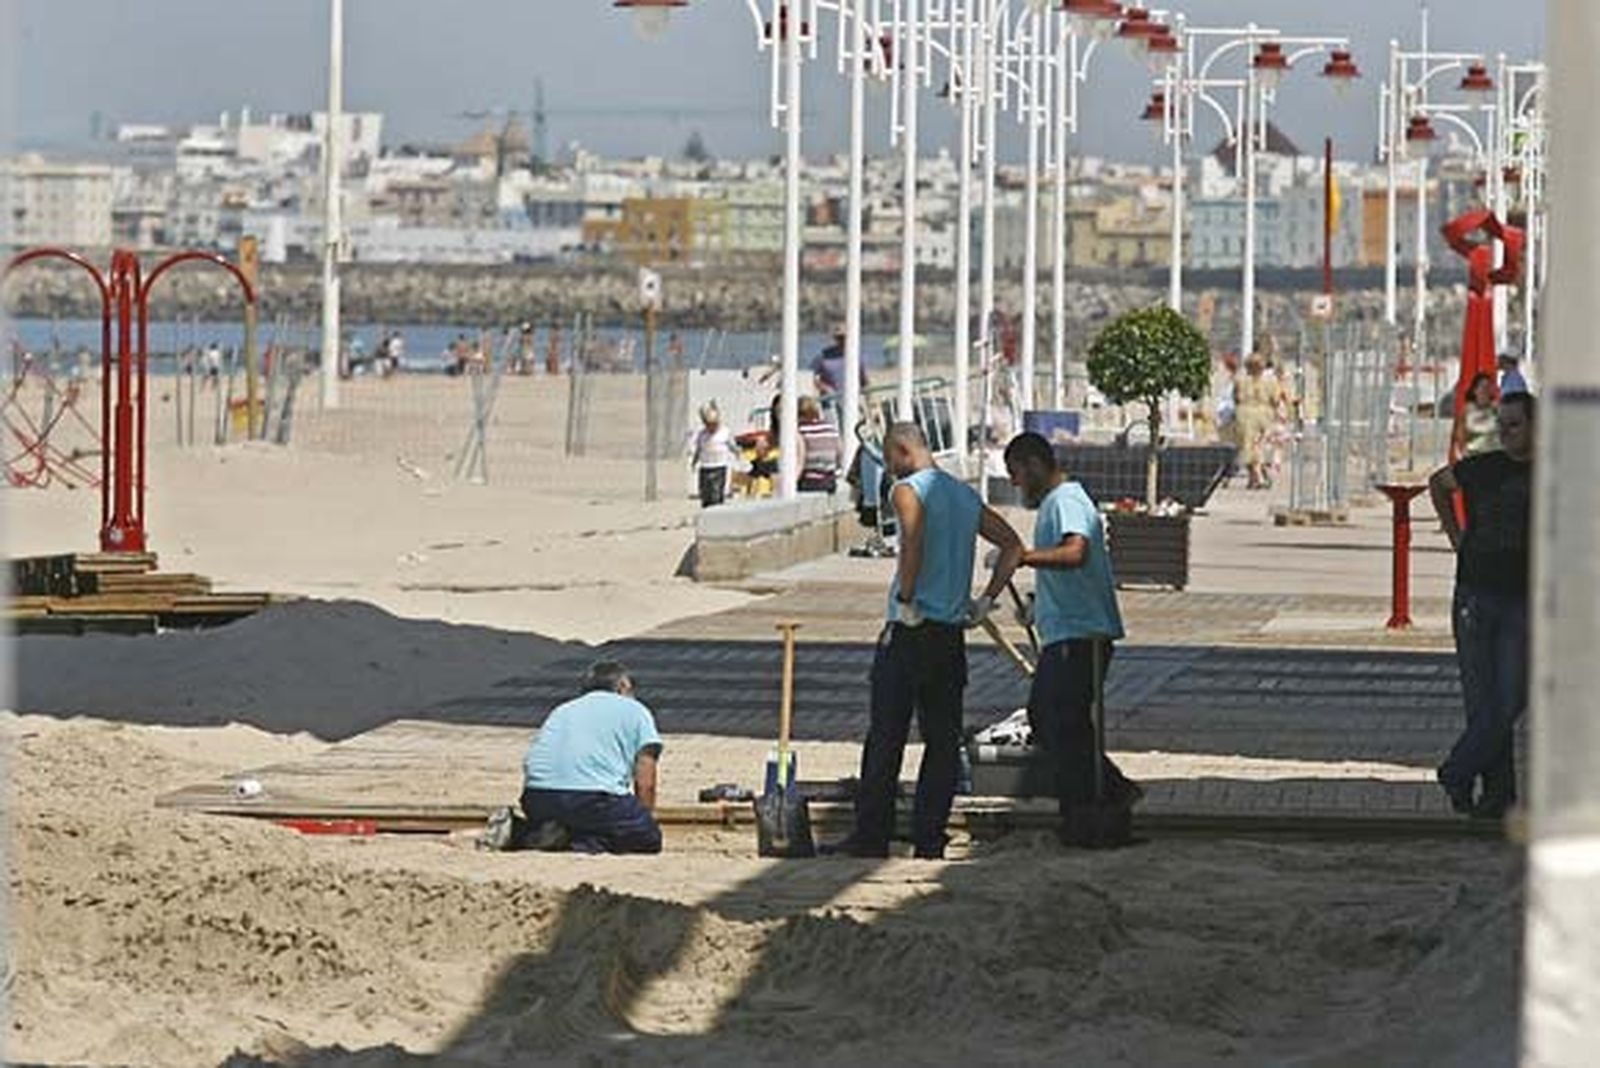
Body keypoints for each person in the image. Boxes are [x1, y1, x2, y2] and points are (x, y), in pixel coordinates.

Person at [828, 422, 1024, 859]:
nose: (889, 469)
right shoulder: (963, 494)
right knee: (942, 740)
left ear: (901, 450)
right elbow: (1012, 545)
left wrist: (907, 596)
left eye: (888, 458)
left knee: (886, 736)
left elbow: (911, 545)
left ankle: (872, 835)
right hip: (950, 635)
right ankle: (929, 837)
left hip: (911, 630)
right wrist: (984, 601)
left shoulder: (908, 491)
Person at [1004, 433, 1142, 844]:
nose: (1014, 484)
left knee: (1054, 720)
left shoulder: (1066, 500)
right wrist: (1038, 603)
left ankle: (1106, 794)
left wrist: (1022, 556)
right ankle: (1084, 809)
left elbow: (1075, 552)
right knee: (1063, 724)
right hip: (1067, 630)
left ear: (1033, 465)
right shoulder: (1057, 502)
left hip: (1081, 636)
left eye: (1015, 474)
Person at [1428, 390, 1534, 820]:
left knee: (1509, 699)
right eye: (1501, 424)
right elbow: (1438, 483)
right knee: (1482, 700)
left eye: (1515, 425)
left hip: (1523, 598)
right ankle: (1497, 796)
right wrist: (1455, 536)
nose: (1505, 433)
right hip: (1475, 594)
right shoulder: (1482, 468)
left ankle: (1457, 771)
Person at [483, 660, 664, 854]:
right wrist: (645, 820)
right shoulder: (636, 710)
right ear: (622, 687)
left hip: (537, 797)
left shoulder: (563, 709)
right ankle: (565, 841)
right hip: (592, 798)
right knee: (646, 839)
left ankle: (525, 832)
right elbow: (646, 775)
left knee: (582, 821)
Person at [1233, 352, 1282, 490]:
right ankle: (1257, 476)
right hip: (1264, 414)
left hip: (1244, 413)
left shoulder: (1240, 379)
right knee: (1259, 445)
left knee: (1247, 446)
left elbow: (1235, 397)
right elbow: (1276, 400)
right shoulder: (1271, 381)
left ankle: (1256, 475)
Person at [691, 403, 735, 508]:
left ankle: (717, 516)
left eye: (714, 424)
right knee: (705, 495)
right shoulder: (702, 434)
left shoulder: (725, 432)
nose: (711, 427)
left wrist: (739, 456)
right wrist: (694, 462)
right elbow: (699, 449)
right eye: (708, 424)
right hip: (705, 467)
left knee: (716, 495)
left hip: (719, 467)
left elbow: (733, 446)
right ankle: (707, 514)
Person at [797, 395, 842, 494]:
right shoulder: (831, 429)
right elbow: (839, 454)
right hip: (829, 481)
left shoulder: (800, 431)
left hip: (808, 481)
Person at [811, 322, 867, 397]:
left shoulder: (856, 356)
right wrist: (824, 387)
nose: (842, 341)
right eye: (839, 338)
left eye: (844, 337)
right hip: (830, 401)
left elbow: (864, 381)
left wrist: (869, 400)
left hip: (851, 399)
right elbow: (809, 377)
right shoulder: (823, 355)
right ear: (835, 338)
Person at [1452, 372, 1500, 458]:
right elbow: (1459, 437)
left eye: (1489, 387)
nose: (1486, 390)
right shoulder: (1467, 410)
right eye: (1483, 387)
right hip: (1473, 456)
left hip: (1495, 455)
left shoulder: (1497, 409)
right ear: (1475, 390)